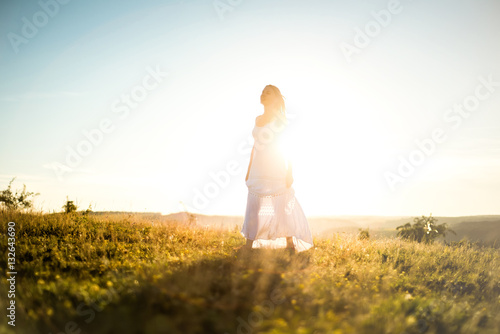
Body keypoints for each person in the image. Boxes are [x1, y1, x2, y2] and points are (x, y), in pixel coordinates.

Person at [240, 85, 313, 253]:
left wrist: (290, 171)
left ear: (275, 97)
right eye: (263, 92)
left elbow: (289, 145)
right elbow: (254, 147)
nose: (264, 94)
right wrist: (249, 169)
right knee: (254, 205)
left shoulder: (280, 120)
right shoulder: (258, 119)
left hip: (276, 166)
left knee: (281, 204)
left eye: (268, 92)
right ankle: (248, 245)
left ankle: (289, 244)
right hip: (257, 168)